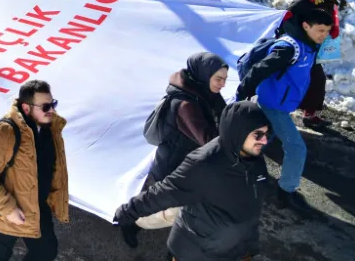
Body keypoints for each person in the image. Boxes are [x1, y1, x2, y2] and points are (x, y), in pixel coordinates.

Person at [113, 101, 270, 261]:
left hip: (232, 251)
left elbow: (252, 209)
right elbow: (165, 192)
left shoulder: (255, 162)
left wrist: (250, 247)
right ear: (239, 133)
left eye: (266, 134)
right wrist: (128, 212)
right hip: (196, 252)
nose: (264, 141)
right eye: (258, 135)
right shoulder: (205, 165)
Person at [119, 52, 228, 248]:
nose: (223, 84)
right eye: (218, 79)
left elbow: (224, 113)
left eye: (225, 79)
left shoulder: (206, 91)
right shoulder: (186, 105)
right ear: (204, 75)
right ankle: (132, 220)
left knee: (178, 207)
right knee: (171, 207)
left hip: (192, 162)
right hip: (174, 166)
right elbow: (210, 139)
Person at [235, 7, 332, 212]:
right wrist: (241, 95)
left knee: (260, 140)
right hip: (272, 106)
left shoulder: (309, 46)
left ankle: (235, 170)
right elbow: (259, 70)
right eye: (320, 30)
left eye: (327, 31)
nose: (324, 36)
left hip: (281, 105)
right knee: (296, 148)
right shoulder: (289, 48)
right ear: (306, 26)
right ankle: (285, 192)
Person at [0, 80, 69, 261]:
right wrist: (9, 209)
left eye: (53, 104)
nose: (52, 110)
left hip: (37, 209)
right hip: (4, 215)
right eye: (46, 106)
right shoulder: (1, 132)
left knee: (46, 252)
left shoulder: (50, 128)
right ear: (26, 108)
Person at [282, 0, 343, 127]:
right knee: (292, 78)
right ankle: (275, 109)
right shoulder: (303, 2)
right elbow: (286, 21)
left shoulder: (328, 3)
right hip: (296, 47)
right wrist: (301, 38)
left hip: (312, 48)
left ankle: (310, 113)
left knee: (317, 78)